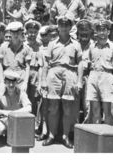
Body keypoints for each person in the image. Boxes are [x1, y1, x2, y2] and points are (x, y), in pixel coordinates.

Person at [41, 15, 83, 148]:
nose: (64, 28)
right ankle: (52, 135)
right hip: (54, 73)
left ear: (70, 27)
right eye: (61, 25)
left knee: (67, 107)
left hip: (70, 73)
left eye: (66, 25)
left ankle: (65, 136)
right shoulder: (52, 43)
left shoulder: (76, 44)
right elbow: (46, 63)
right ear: (58, 27)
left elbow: (80, 62)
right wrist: (43, 80)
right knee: (53, 107)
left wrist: (80, 81)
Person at [85, 19, 113, 125]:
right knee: (95, 110)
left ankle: (108, 135)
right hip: (93, 75)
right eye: (99, 30)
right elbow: (88, 63)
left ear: (108, 32)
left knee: (108, 110)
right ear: (96, 32)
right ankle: (96, 136)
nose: (101, 32)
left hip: (107, 75)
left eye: (104, 30)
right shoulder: (91, 46)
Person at [0, 70, 32, 142]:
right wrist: (0, 111)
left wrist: (11, 113)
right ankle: (4, 133)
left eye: (13, 82)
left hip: (17, 121)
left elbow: (29, 108)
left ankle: (10, 135)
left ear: (16, 82)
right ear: (5, 82)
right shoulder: (0, 93)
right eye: (8, 82)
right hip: (4, 120)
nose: (11, 85)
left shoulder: (21, 92)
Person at [0, 21, 31, 92]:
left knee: (21, 101)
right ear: (10, 33)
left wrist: (25, 83)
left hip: (20, 79)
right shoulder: (3, 47)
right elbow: (0, 65)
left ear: (20, 33)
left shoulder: (26, 48)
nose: (15, 35)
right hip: (7, 78)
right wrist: (1, 82)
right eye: (13, 32)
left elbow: (28, 67)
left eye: (18, 32)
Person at [24, 20, 44, 118]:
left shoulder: (40, 46)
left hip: (35, 73)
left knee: (34, 99)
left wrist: (40, 82)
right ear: (26, 32)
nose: (32, 34)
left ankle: (34, 121)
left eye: (34, 32)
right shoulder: (23, 45)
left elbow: (41, 65)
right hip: (24, 73)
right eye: (30, 32)